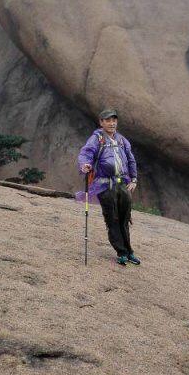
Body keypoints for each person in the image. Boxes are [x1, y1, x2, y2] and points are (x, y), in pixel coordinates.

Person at [78, 109, 141, 266]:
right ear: (101, 122)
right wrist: (85, 164)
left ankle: (129, 251)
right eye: (108, 120)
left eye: (114, 120)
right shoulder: (97, 139)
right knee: (112, 218)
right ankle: (121, 252)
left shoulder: (122, 140)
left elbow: (131, 160)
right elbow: (86, 153)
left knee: (125, 218)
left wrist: (134, 179)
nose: (112, 123)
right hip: (104, 184)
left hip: (122, 183)